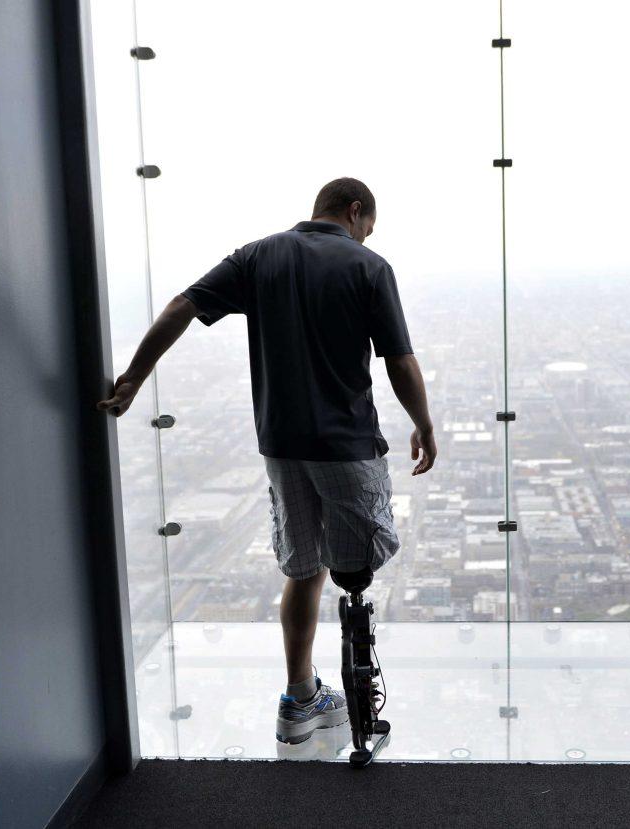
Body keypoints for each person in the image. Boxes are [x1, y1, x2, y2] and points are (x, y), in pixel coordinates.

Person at [97, 177, 436, 745]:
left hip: (280, 442)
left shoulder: (258, 256)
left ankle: (300, 698)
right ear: (356, 212)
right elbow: (399, 361)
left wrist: (134, 377)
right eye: (367, 226)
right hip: (345, 444)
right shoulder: (368, 266)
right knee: (355, 570)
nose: (365, 235)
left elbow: (184, 304)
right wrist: (424, 425)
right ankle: (359, 696)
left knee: (302, 568)